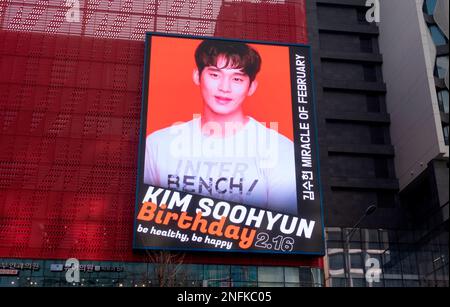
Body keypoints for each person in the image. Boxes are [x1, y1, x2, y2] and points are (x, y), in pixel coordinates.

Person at [144, 39, 297, 215]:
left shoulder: (279, 149)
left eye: (237, 79)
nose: (225, 88)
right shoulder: (158, 144)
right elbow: (147, 222)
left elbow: (284, 233)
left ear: (251, 87)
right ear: (197, 76)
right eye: (215, 75)